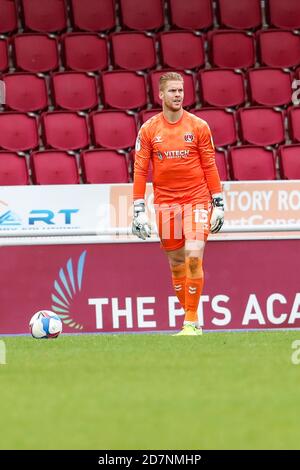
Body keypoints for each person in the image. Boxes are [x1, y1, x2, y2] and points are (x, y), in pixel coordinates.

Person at [132, 72, 224, 336]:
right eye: (172, 91)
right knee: (176, 264)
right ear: (160, 95)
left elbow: (209, 164)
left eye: (181, 90)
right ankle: (191, 318)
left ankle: (191, 322)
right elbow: (140, 170)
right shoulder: (149, 129)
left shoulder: (198, 126)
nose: (178, 95)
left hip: (196, 200)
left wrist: (218, 203)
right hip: (166, 205)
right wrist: (138, 209)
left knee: (193, 258)